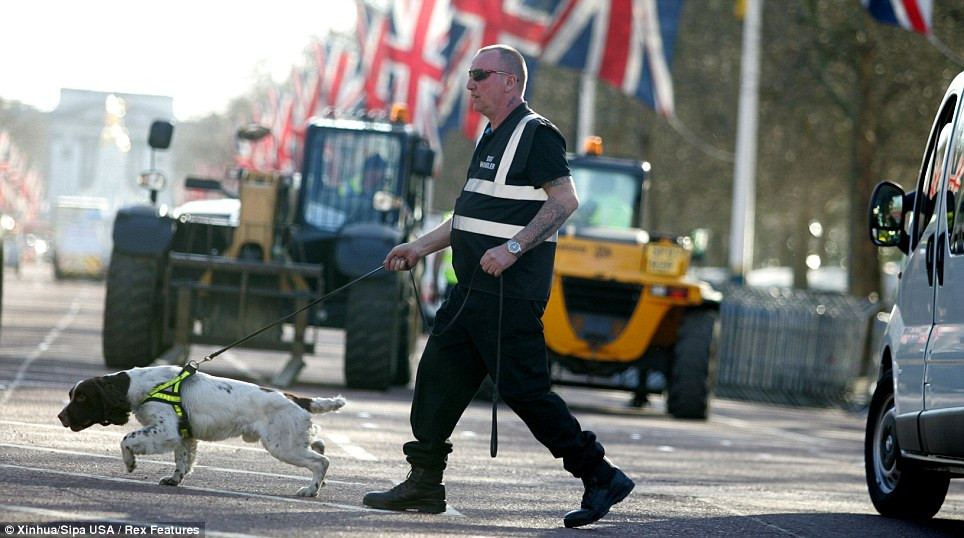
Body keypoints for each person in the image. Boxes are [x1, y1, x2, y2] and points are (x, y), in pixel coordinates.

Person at [363, 44, 634, 529]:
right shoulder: (490, 135)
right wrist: (418, 247)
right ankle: (424, 482)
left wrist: (513, 248)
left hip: (508, 295)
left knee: (527, 394)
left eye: (480, 75)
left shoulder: (537, 133)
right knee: (435, 376)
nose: (470, 84)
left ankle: (600, 474)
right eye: (470, 75)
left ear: (511, 81)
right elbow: (468, 218)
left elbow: (565, 200)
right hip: (471, 291)